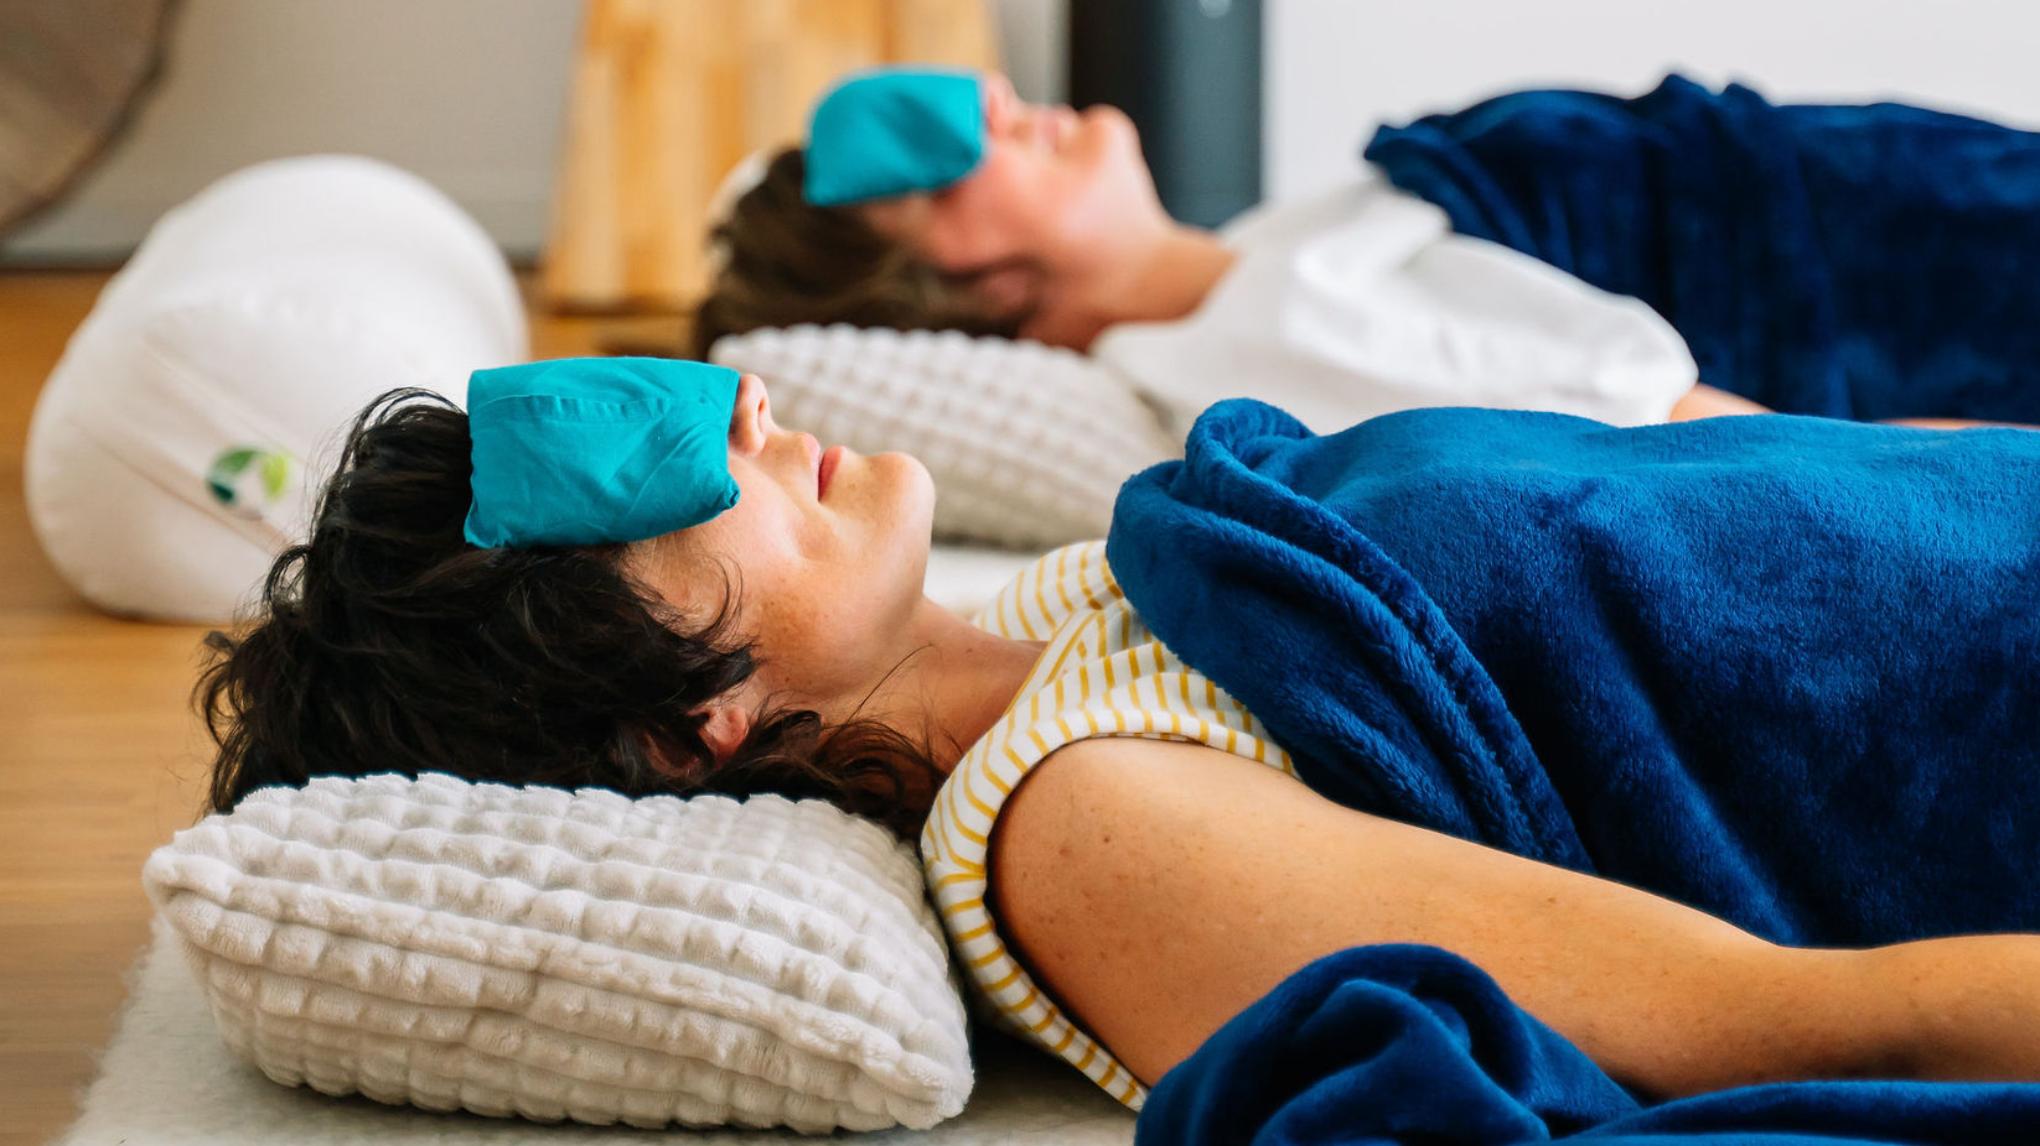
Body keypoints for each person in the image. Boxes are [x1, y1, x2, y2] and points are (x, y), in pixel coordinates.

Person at [202, 369, 2040, 1116]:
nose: (742, 403)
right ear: (689, 726)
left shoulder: (1075, 599)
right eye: (648, 473)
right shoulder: (1079, 829)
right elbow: (1795, 1018)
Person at [694, 70, 1771, 435]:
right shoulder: (1255, 337)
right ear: (945, 292)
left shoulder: (1269, 250)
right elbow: (1658, 427)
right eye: (939, 174)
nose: (993, 101)